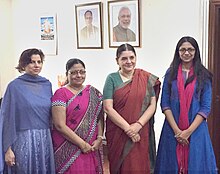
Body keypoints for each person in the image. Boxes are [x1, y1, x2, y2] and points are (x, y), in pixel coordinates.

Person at [154, 36, 218, 174]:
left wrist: (188, 132)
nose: (186, 53)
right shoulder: (170, 73)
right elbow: (165, 103)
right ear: (178, 52)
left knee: (196, 164)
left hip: (196, 131)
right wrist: (177, 132)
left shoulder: (204, 75)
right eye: (182, 49)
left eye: (190, 49)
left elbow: (205, 107)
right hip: (172, 129)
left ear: (196, 52)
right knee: (171, 165)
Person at [103, 43, 161, 173]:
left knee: (139, 166)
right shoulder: (112, 78)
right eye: (124, 58)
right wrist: (128, 129)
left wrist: (138, 125)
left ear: (136, 58)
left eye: (131, 57)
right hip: (119, 132)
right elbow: (107, 108)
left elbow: (153, 104)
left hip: (141, 132)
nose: (129, 62)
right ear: (117, 60)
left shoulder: (144, 78)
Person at [1, 48, 55, 173]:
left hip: (45, 138)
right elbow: (7, 118)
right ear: (23, 64)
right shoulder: (14, 86)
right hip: (23, 138)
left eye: (39, 62)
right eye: (32, 62)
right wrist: (7, 149)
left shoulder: (47, 84)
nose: (36, 65)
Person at [51, 58, 104, 173]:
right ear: (67, 74)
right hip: (68, 146)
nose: (78, 75)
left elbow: (99, 118)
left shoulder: (94, 93)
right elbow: (59, 125)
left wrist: (100, 138)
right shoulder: (60, 93)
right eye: (74, 73)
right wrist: (82, 144)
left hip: (90, 147)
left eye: (82, 72)